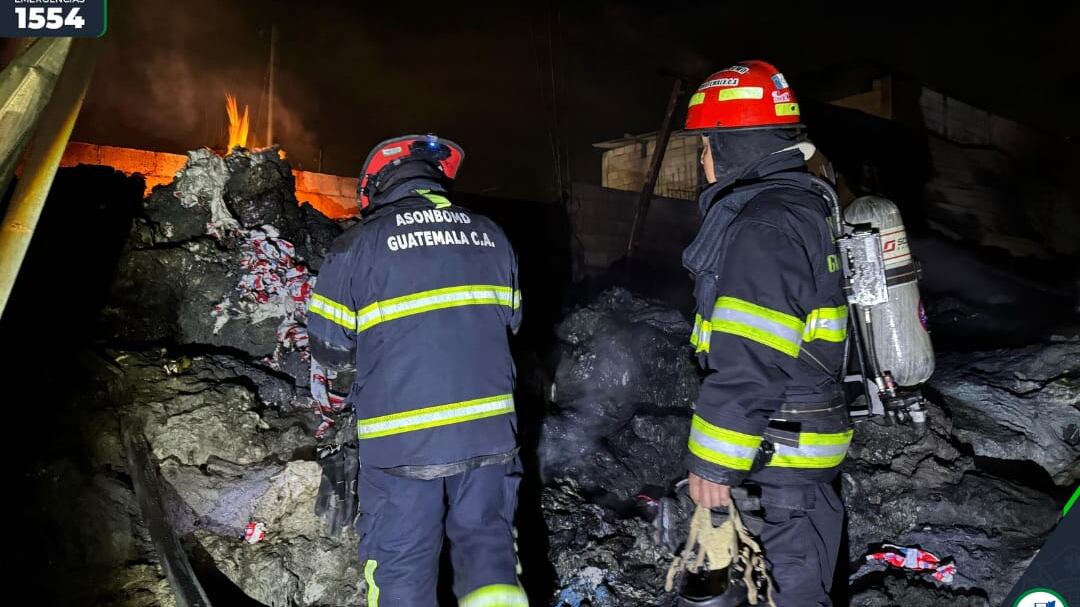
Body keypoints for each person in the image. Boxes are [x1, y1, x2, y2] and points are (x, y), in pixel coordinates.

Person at [307, 134, 528, 607]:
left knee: (401, 562)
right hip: (490, 436)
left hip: (401, 445)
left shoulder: (355, 247)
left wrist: (332, 418)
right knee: (490, 558)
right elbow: (511, 321)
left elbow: (329, 356)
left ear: (375, 188)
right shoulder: (491, 234)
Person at [681, 61, 853, 606]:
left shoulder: (765, 221)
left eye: (704, 145)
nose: (702, 159)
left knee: (789, 593)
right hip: (798, 445)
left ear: (729, 145)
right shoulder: (802, 206)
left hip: (780, 457)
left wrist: (714, 463)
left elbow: (751, 350)